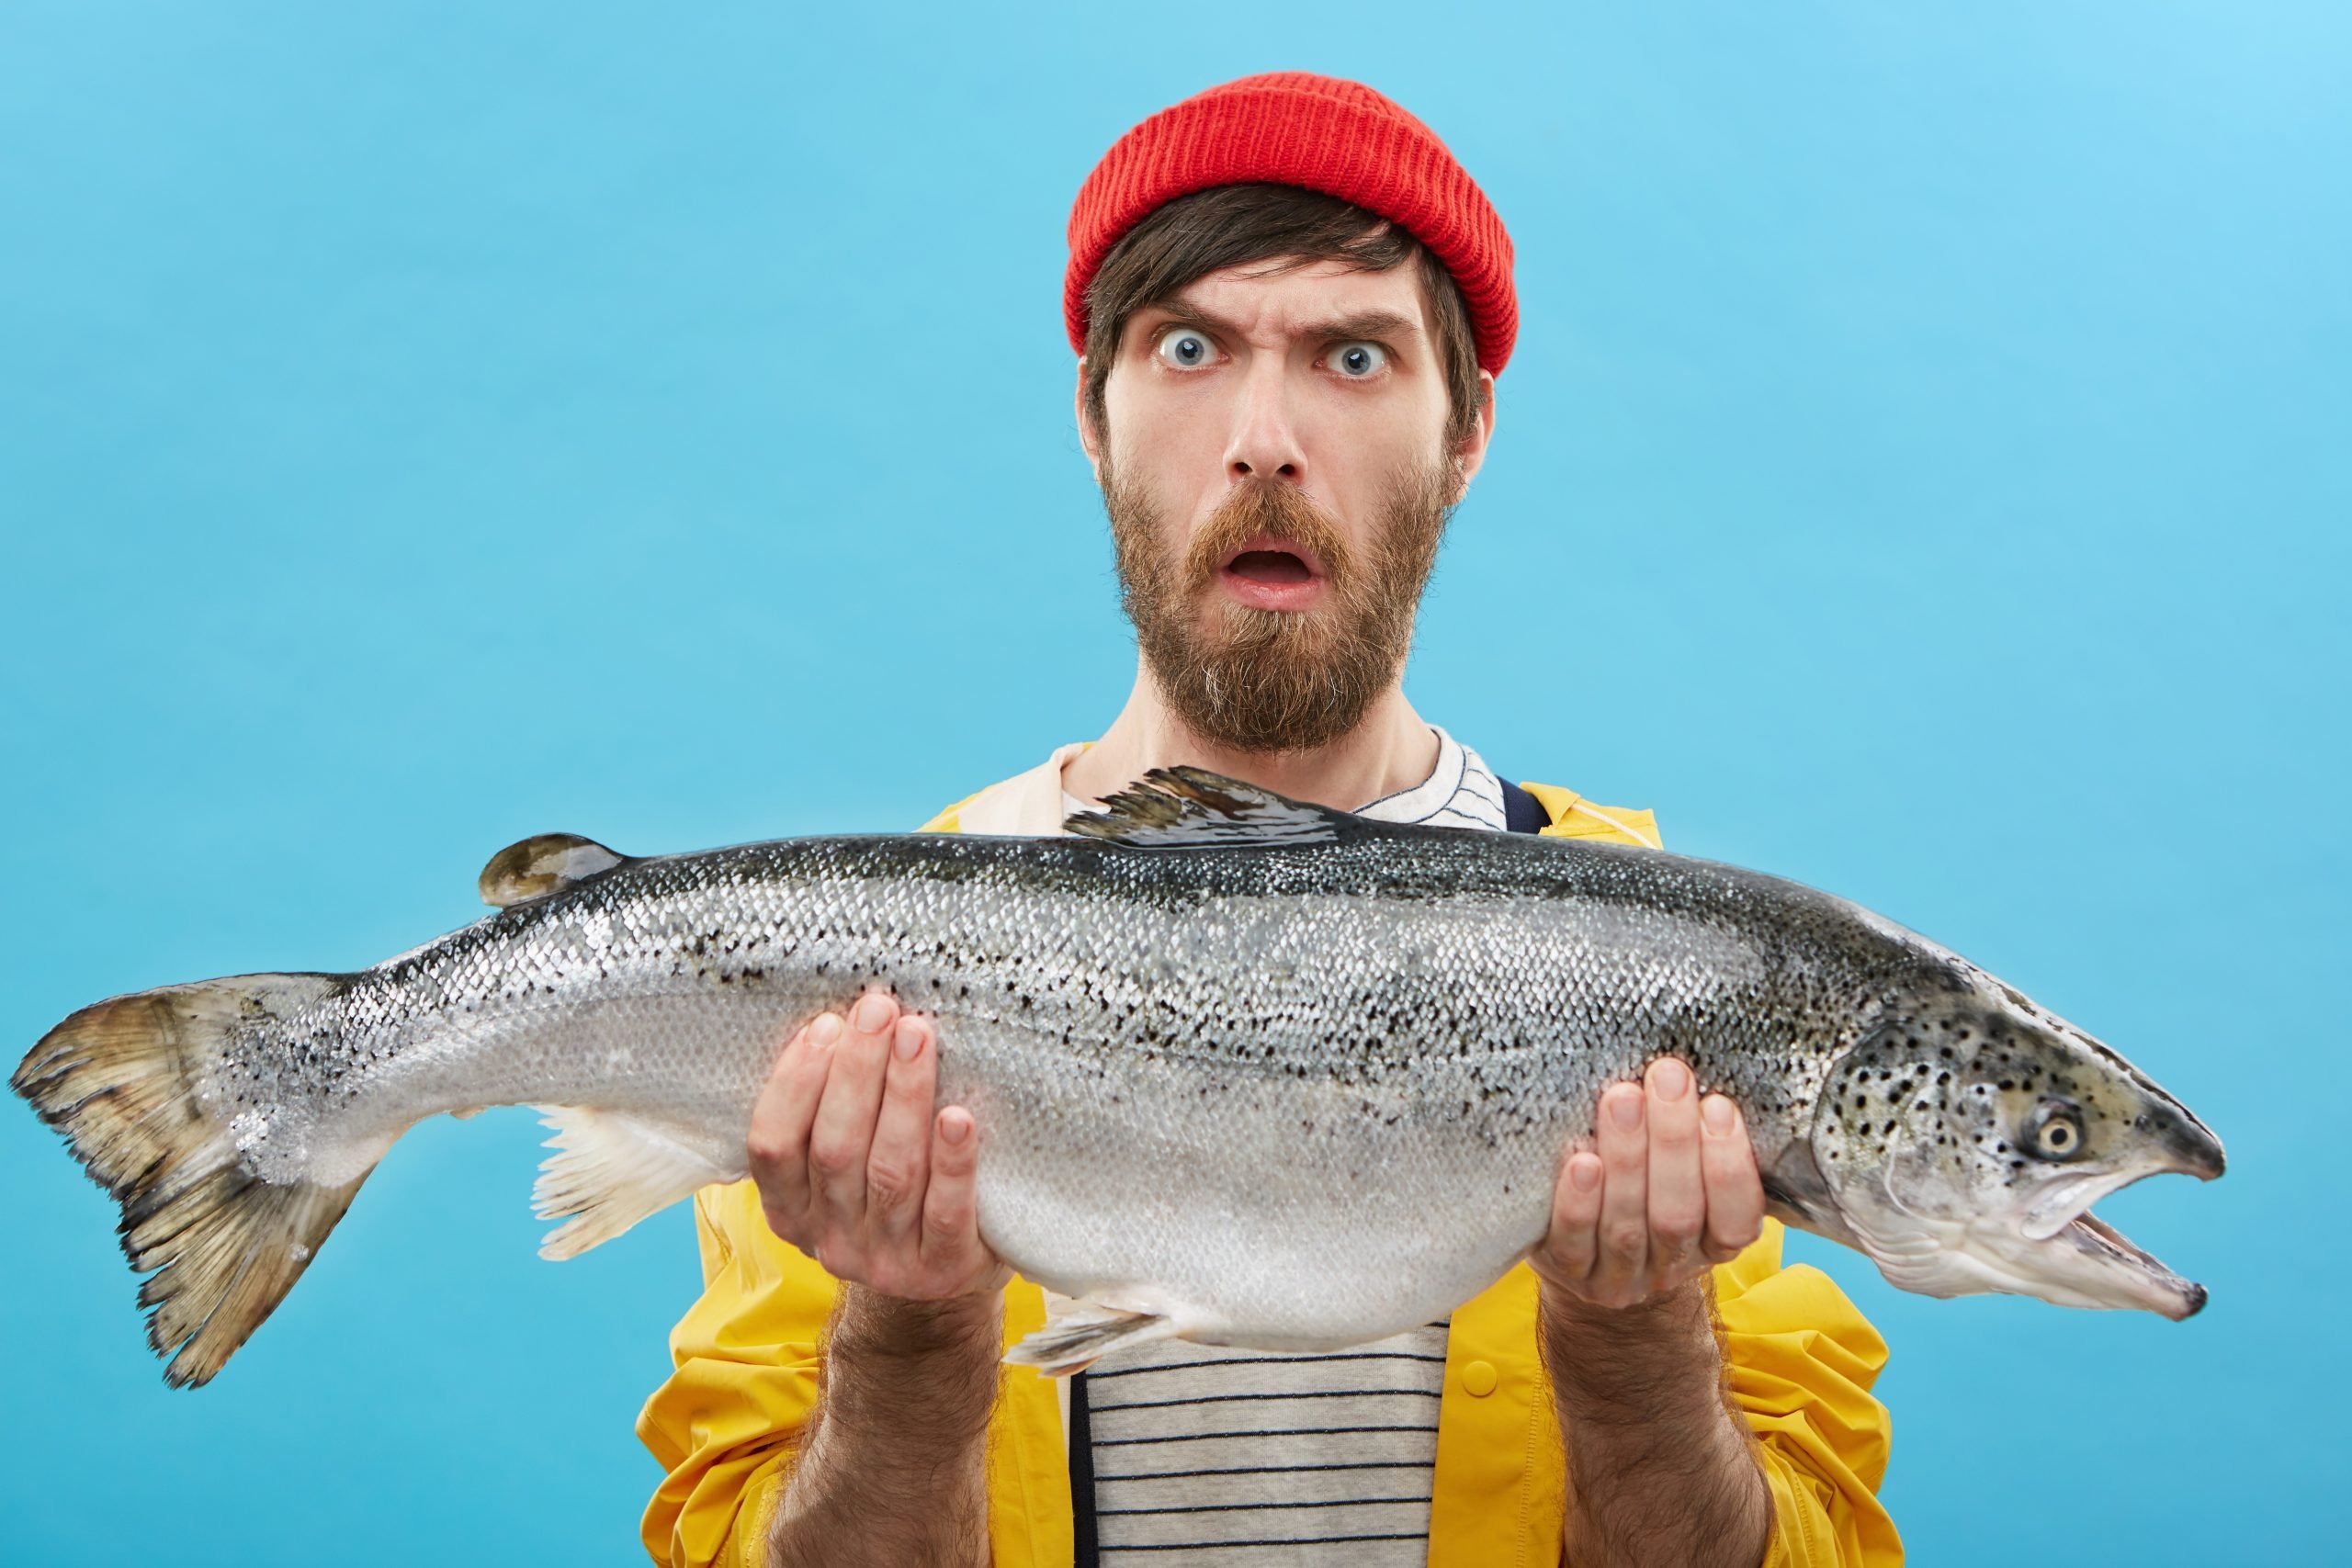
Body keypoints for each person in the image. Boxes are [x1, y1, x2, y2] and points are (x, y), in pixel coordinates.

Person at [638, 73, 1898, 1568]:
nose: (1263, 440)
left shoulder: (1675, 967)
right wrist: (910, 1343)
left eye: (1353, 356)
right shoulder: (863, 978)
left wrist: (1635, 1358)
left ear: (1468, 430)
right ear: (1094, 419)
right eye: (1188, 348)